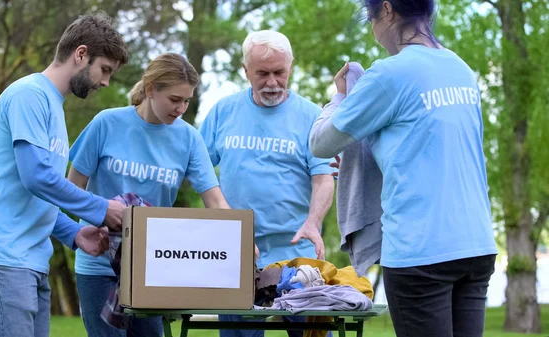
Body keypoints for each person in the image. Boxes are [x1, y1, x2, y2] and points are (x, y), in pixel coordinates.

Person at [309, 1, 498, 336]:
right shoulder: (462, 70)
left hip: (421, 251)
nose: (372, 28)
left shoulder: (389, 74)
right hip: (477, 245)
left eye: (370, 18)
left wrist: (339, 97)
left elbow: (322, 143)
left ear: (386, 9)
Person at [0, 12, 129, 337]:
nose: (105, 82)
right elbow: (36, 177)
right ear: (81, 54)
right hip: (5, 255)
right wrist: (101, 208)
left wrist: (72, 233)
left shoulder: (51, 106)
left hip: (31, 258)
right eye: (104, 69)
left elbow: (36, 194)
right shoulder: (29, 95)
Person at [67, 52, 231, 337]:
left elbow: (215, 200)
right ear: (151, 88)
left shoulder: (189, 138)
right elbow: (72, 188)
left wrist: (238, 240)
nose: (181, 108)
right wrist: (98, 218)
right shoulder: (106, 124)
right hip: (99, 263)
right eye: (175, 100)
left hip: (152, 266)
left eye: (187, 101)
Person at [199, 30, 335, 337]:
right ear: (245, 71)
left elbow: (324, 177)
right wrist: (221, 222)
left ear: (291, 68)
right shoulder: (223, 111)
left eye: (279, 72)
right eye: (262, 74)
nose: (272, 82)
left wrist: (314, 222)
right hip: (237, 250)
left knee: (310, 333)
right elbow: (200, 171)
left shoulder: (312, 116)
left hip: (296, 249)